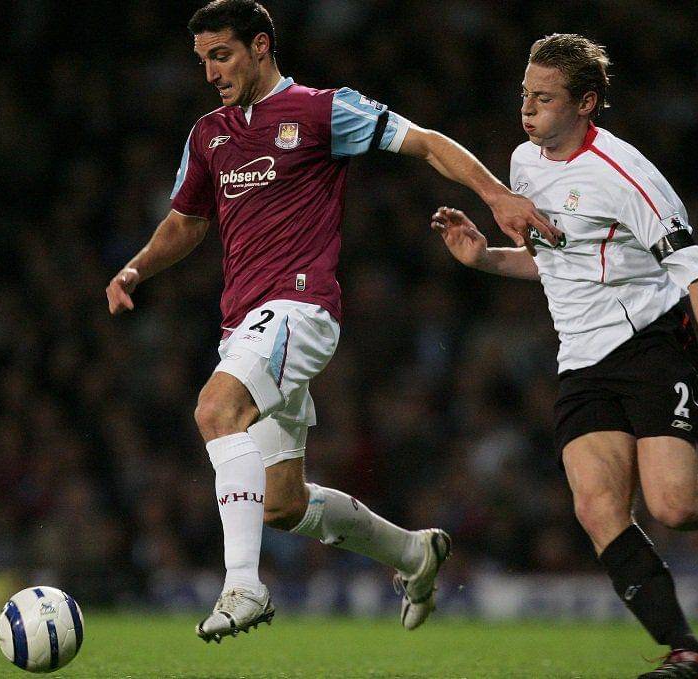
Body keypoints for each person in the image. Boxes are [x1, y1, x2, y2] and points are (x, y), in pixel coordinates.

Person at [105, 0, 561, 643]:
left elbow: (425, 143)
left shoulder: (321, 111)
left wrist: (497, 195)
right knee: (282, 504)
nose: (211, 72)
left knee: (215, 410)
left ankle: (243, 585)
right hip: (244, 324)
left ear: (261, 46)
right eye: (203, 59)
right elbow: (187, 222)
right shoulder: (209, 135)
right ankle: (413, 553)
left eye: (222, 55)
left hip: (299, 308)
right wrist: (135, 269)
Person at [432, 33, 698, 679]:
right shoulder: (523, 162)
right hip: (580, 359)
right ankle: (688, 653)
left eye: (544, 98)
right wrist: (483, 258)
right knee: (597, 509)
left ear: (585, 102)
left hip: (649, 342)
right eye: (524, 95)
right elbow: (557, 264)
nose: (527, 109)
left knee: (675, 506)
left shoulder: (624, 174)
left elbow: (695, 267)